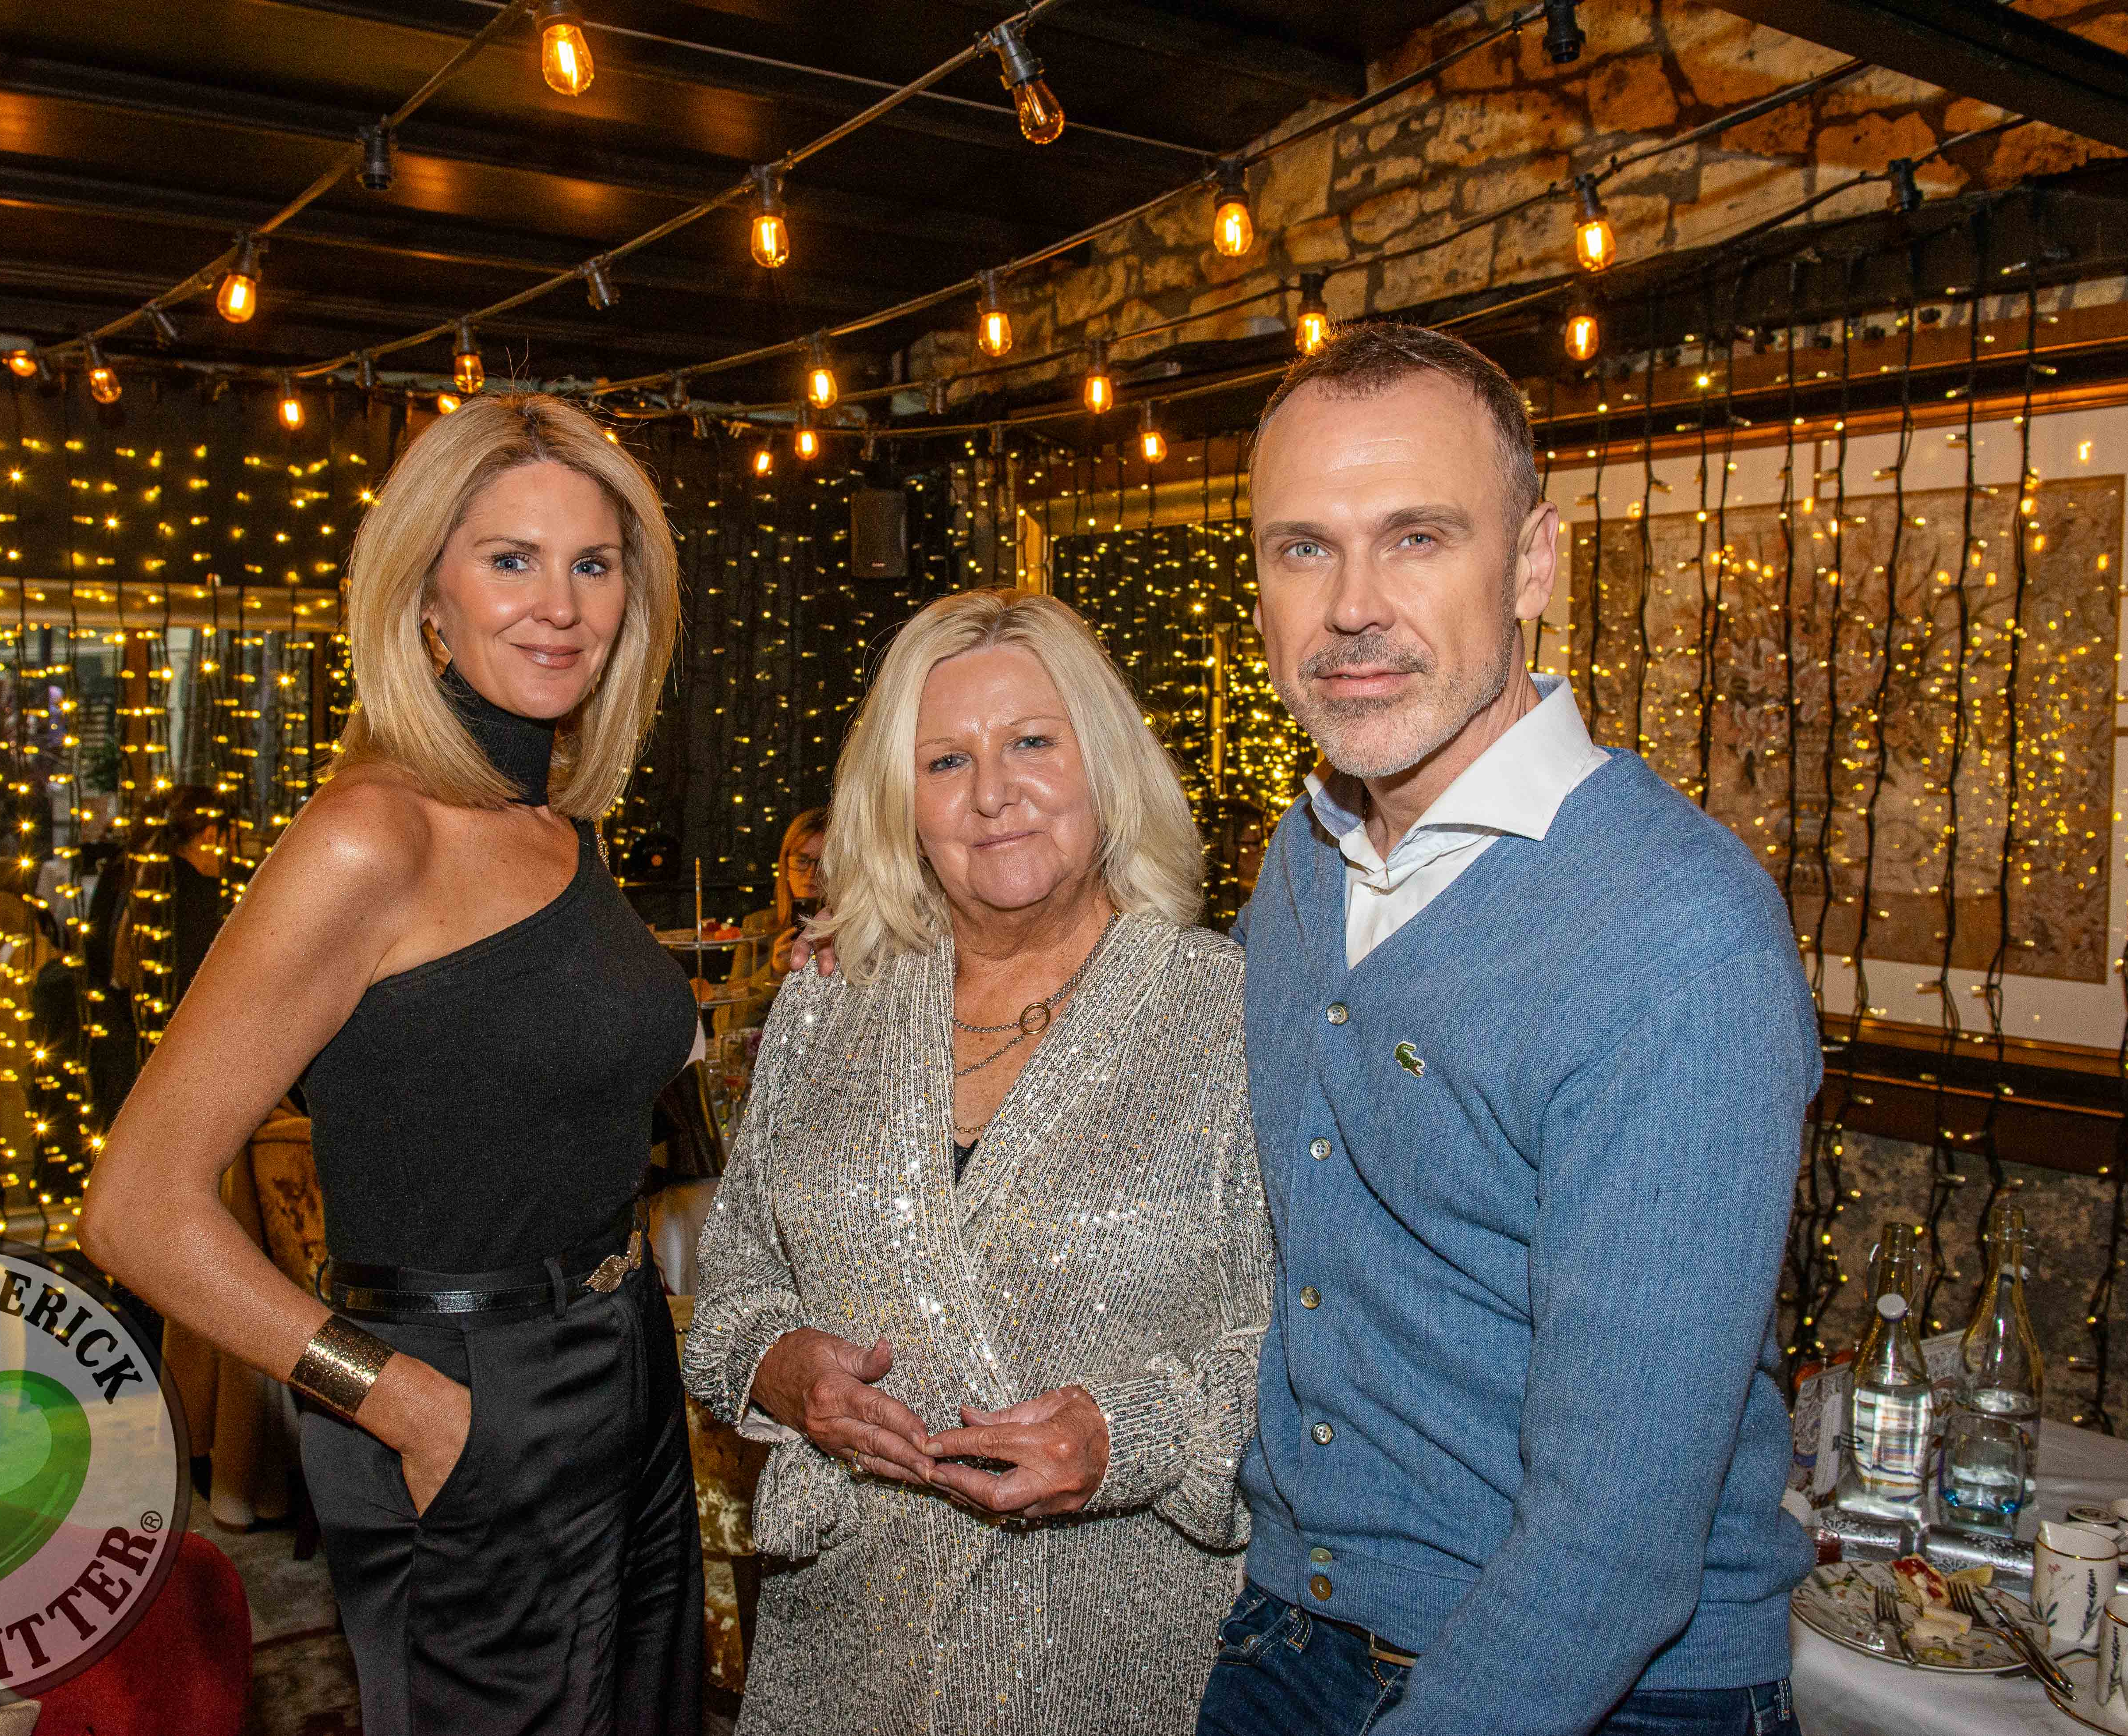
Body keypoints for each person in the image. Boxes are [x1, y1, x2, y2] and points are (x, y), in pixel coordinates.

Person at [1195, 321, 1820, 1736]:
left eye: (1416, 538)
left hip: (1600, 1680)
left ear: (1533, 562)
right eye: (1303, 549)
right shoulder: (1300, 865)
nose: (1352, 607)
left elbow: (1617, 1538)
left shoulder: (1676, 935)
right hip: (1291, 1627)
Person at [81, 393, 702, 1736]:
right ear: (426, 597)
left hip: (621, 1363)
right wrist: (407, 1405)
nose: (559, 605)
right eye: (510, 559)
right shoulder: (372, 835)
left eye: (593, 564)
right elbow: (135, 1207)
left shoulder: (556, 821)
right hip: (464, 1393)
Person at [685, 589, 1273, 1736]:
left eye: (1032, 743)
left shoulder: (1231, 1015)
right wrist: (780, 1368)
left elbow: (1309, 1348)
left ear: (1107, 765)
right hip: (843, 1658)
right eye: (945, 760)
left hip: (1112, 1649)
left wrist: (1125, 1435)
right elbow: (732, 1291)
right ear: (900, 805)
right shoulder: (828, 1006)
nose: (992, 793)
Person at [112, 782, 231, 1036]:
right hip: (184, 1036)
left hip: (135, 1028)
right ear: (210, 836)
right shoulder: (206, 898)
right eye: (229, 841)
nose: (230, 854)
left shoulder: (142, 877)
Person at [716, 806, 823, 1033]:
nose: (812, 874)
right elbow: (726, 1024)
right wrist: (773, 972)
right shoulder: (758, 929)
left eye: (823, 863)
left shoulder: (853, 931)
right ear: (786, 867)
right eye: (802, 861)